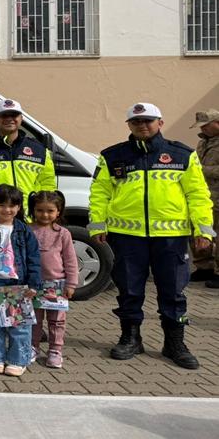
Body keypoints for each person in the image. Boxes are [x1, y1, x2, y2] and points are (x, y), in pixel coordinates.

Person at [89, 102, 214, 369]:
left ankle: (174, 343)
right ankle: (131, 338)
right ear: (129, 126)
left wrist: (203, 230)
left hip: (171, 237)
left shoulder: (182, 154)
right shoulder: (112, 156)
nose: (143, 126)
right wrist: (97, 225)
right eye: (136, 122)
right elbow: (100, 193)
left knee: (174, 292)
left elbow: (198, 195)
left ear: (160, 122)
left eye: (148, 121)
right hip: (126, 236)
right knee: (129, 290)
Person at [0, 184, 41, 378]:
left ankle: (18, 360)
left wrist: (33, 284)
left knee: (19, 326)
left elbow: (34, 259)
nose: (7, 209)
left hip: (18, 285)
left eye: (12, 205)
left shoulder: (24, 231)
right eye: (2, 205)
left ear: (19, 207)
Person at [29, 190, 78, 369]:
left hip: (57, 285)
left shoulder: (63, 233)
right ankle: (32, 347)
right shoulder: (27, 230)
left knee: (57, 320)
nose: (45, 214)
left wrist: (71, 284)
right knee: (33, 319)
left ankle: (55, 350)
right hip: (33, 285)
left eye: (50, 211)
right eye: (40, 210)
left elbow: (71, 260)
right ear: (33, 210)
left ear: (58, 212)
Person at [191, 108, 219, 287]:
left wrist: (200, 171)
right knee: (199, 232)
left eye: (207, 125)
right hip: (202, 196)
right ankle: (204, 267)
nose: (203, 129)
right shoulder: (203, 142)